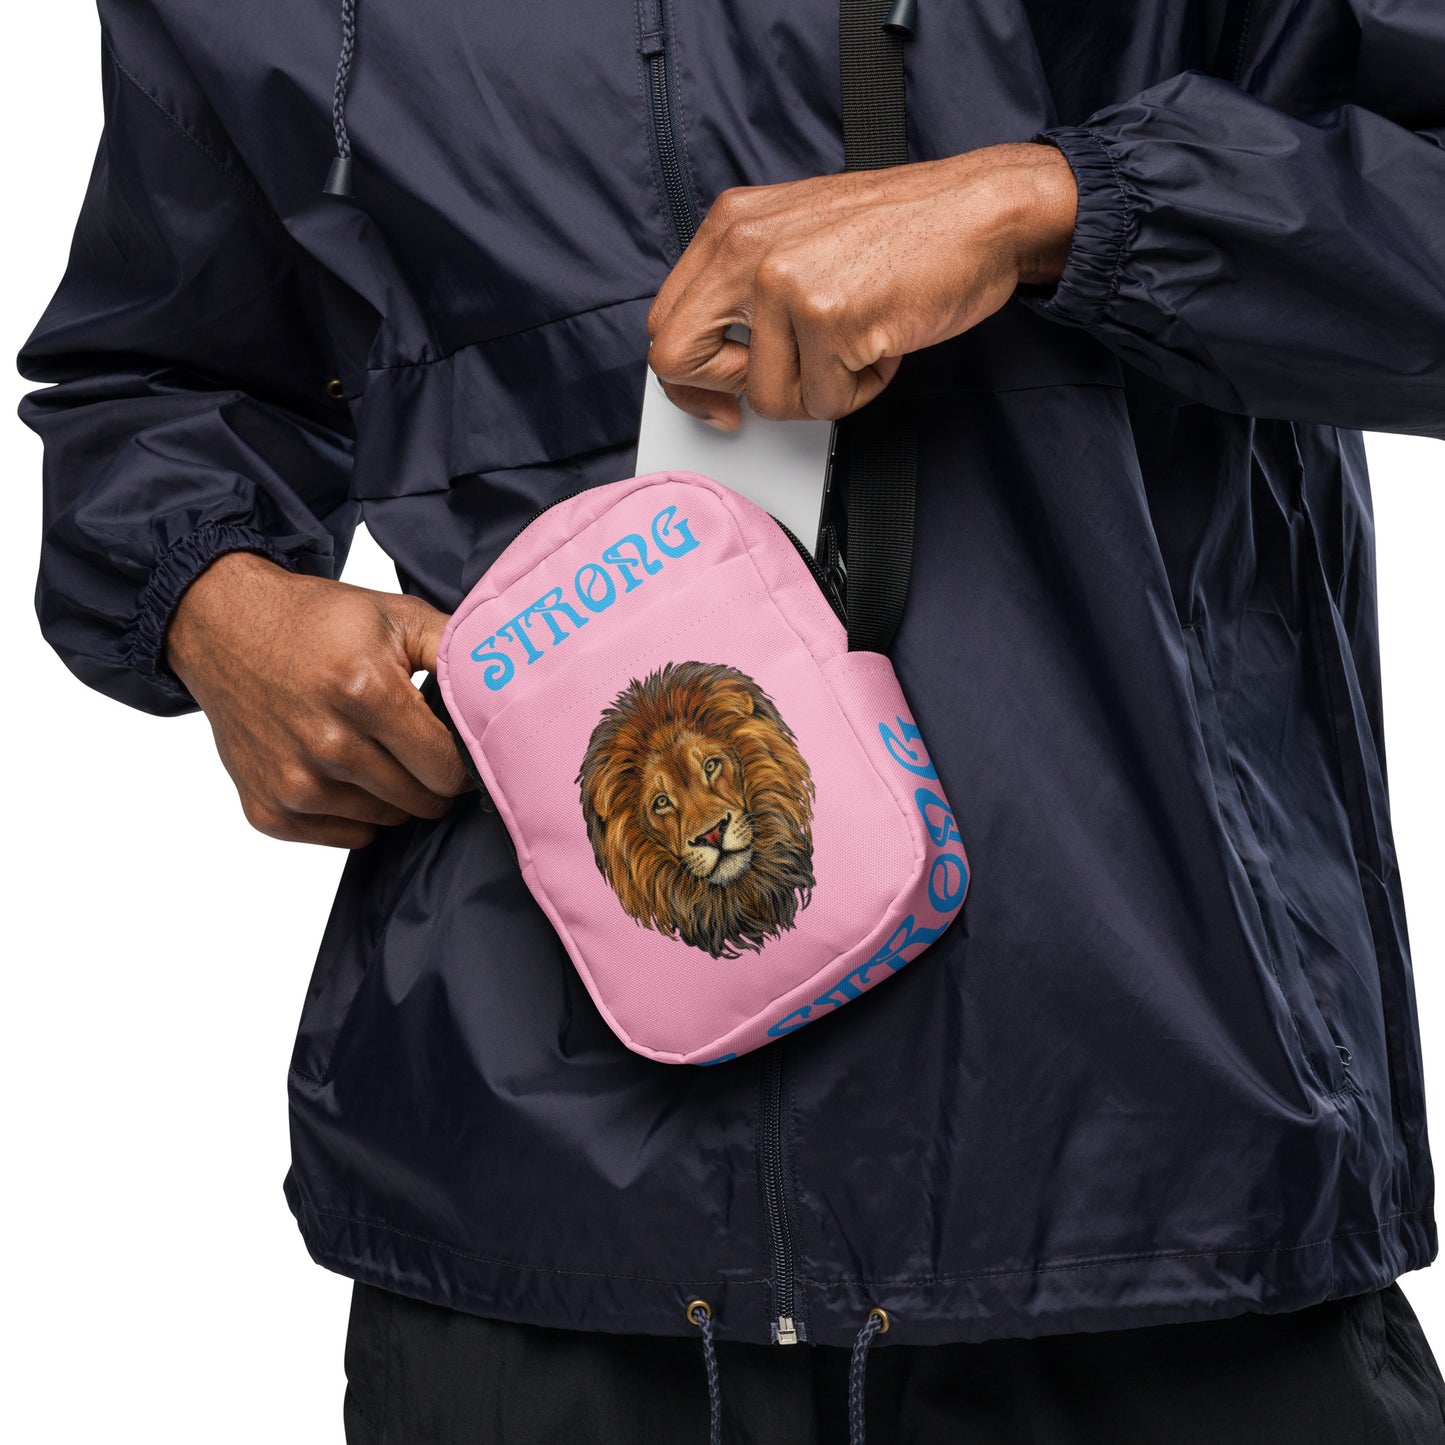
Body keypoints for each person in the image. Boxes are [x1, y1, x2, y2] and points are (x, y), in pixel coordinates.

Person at [18, 0, 1445, 1440]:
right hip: (533, 1221)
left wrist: (1046, 205)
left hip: (1160, 1179)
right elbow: (158, 371)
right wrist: (212, 601)